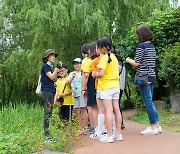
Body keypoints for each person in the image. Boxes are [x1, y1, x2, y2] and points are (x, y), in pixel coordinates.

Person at [126, 26, 162, 135]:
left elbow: (137, 63)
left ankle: (153, 126)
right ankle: (157, 125)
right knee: (150, 101)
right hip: (151, 75)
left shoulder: (141, 46)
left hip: (143, 77)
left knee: (148, 102)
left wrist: (128, 60)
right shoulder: (151, 46)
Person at [92, 37, 123, 143]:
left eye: (100, 48)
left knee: (108, 110)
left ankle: (109, 135)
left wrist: (95, 74)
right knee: (116, 110)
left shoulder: (104, 58)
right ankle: (118, 134)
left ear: (104, 48)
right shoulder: (114, 57)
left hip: (106, 87)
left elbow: (101, 74)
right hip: (115, 86)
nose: (99, 50)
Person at [66, 58, 89, 134]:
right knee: (77, 110)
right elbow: (67, 82)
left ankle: (86, 127)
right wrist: (72, 77)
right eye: (75, 64)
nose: (76, 65)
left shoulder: (83, 73)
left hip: (82, 93)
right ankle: (80, 127)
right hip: (74, 94)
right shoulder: (72, 73)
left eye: (78, 63)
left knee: (83, 109)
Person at [41, 49, 59, 141]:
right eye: (52, 55)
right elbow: (52, 77)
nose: (54, 57)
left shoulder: (50, 67)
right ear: (47, 57)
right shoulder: (45, 66)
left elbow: (54, 78)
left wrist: (56, 71)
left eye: (54, 55)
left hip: (51, 91)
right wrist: (56, 70)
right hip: (47, 92)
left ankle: (48, 134)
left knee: (49, 113)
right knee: (47, 113)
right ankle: (46, 135)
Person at [81, 42, 98, 134]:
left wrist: (83, 89)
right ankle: (102, 126)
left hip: (91, 84)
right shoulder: (99, 59)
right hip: (100, 83)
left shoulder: (86, 60)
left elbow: (85, 75)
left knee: (91, 106)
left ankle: (93, 126)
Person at [90, 43, 106, 138]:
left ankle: (100, 130)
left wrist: (96, 73)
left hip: (99, 86)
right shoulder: (111, 58)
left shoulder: (95, 61)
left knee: (100, 109)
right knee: (110, 109)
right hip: (111, 86)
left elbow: (93, 74)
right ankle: (111, 129)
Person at [112, 47, 126, 130]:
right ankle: (120, 123)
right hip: (121, 86)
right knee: (117, 104)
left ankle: (119, 123)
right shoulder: (121, 63)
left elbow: (117, 72)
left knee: (116, 105)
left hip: (117, 86)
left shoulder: (118, 63)